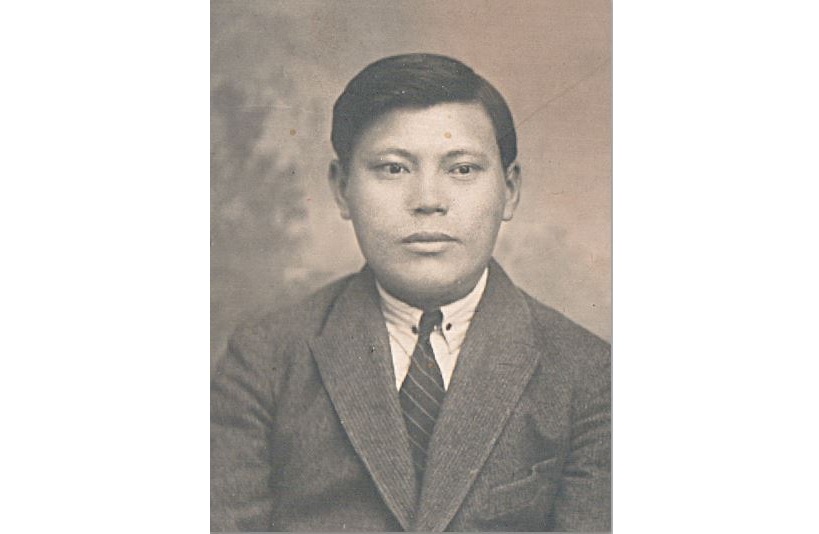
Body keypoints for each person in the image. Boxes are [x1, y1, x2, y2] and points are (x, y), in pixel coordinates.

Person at [211, 53, 611, 531]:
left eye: (462, 169)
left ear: (509, 190)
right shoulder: (264, 361)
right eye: (393, 169)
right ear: (342, 188)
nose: (427, 201)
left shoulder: (590, 376)